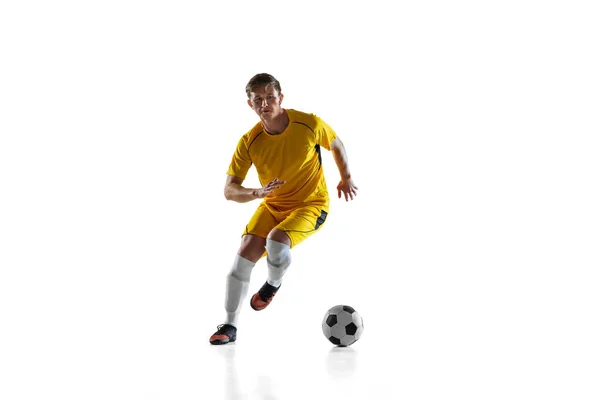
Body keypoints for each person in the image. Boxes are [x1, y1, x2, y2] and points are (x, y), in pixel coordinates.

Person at [209, 73, 358, 345]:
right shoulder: (249, 142)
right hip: (273, 204)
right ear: (250, 104)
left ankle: (272, 285)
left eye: (270, 97)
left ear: (281, 99)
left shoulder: (309, 124)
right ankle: (229, 326)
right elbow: (229, 190)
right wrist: (256, 192)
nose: (264, 104)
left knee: (276, 242)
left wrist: (345, 177)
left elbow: (335, 143)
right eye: (258, 100)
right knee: (242, 258)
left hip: (311, 204)